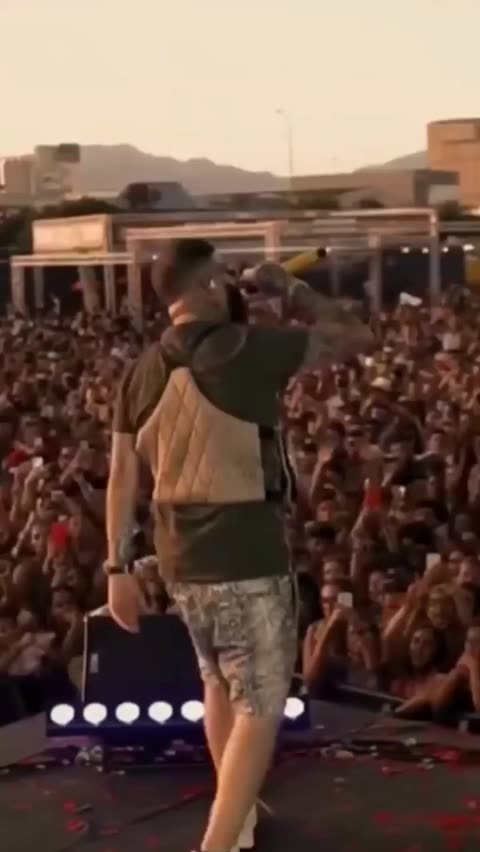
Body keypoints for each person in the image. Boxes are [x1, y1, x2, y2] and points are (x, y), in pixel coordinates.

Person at [106, 238, 373, 852]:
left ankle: (241, 816)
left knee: (220, 684)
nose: (232, 285)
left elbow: (122, 474)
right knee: (262, 700)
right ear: (205, 286)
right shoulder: (246, 349)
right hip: (244, 548)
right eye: (223, 277)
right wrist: (290, 287)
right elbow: (355, 335)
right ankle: (219, 841)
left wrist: (117, 567)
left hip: (178, 557)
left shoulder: (139, 371)